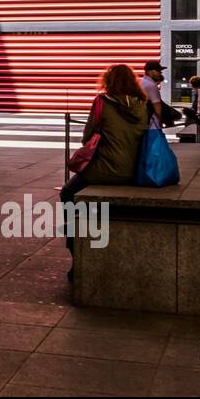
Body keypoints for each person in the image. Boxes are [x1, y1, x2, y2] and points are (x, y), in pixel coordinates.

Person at [60, 64, 150, 277]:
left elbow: (87, 137)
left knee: (67, 193)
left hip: (105, 170)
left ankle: (75, 246)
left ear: (108, 81)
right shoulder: (143, 105)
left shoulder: (102, 102)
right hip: (135, 171)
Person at [140, 60, 177, 128]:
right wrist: (160, 122)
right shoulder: (151, 85)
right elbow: (157, 107)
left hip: (147, 123)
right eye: (159, 71)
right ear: (151, 71)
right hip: (153, 125)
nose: (160, 73)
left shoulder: (143, 82)